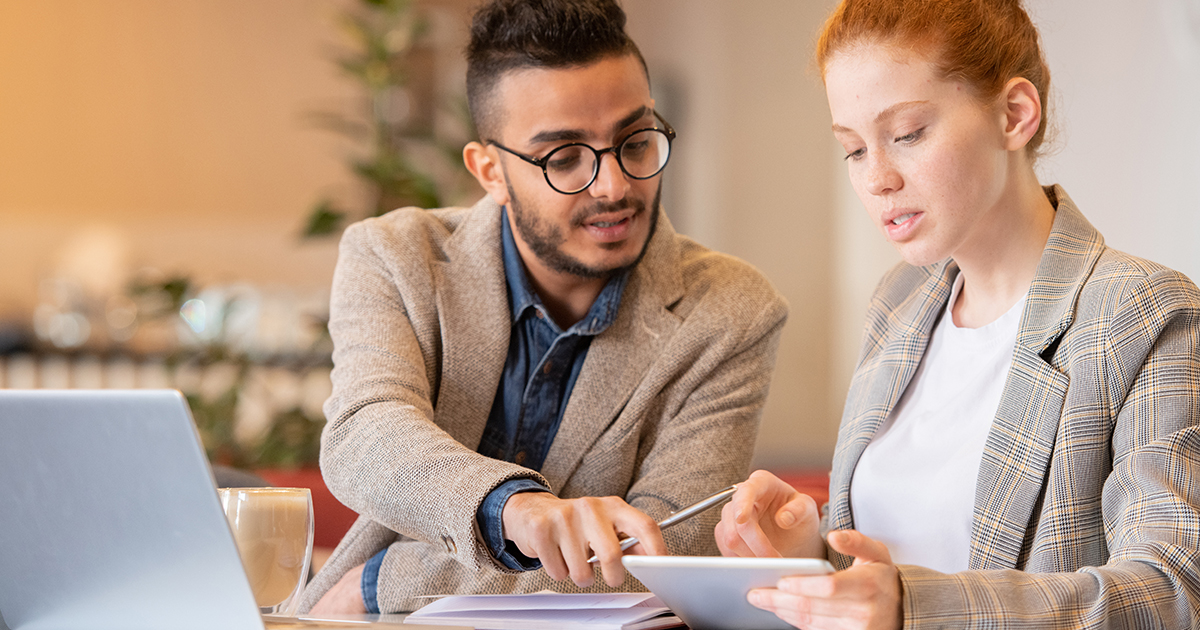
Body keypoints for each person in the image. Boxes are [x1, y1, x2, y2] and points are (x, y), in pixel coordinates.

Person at [715, 0, 1200, 628]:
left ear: (1015, 115)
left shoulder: (1143, 315)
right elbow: (886, 584)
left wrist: (916, 605)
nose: (878, 179)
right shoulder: (900, 303)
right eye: (854, 150)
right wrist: (812, 554)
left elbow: (1173, 593)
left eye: (908, 133)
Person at [300, 0, 788, 615]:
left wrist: (383, 582)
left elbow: (666, 554)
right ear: (490, 171)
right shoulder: (397, 257)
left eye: (635, 141)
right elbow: (366, 435)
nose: (614, 186)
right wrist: (514, 508)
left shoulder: (730, 311)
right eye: (564, 159)